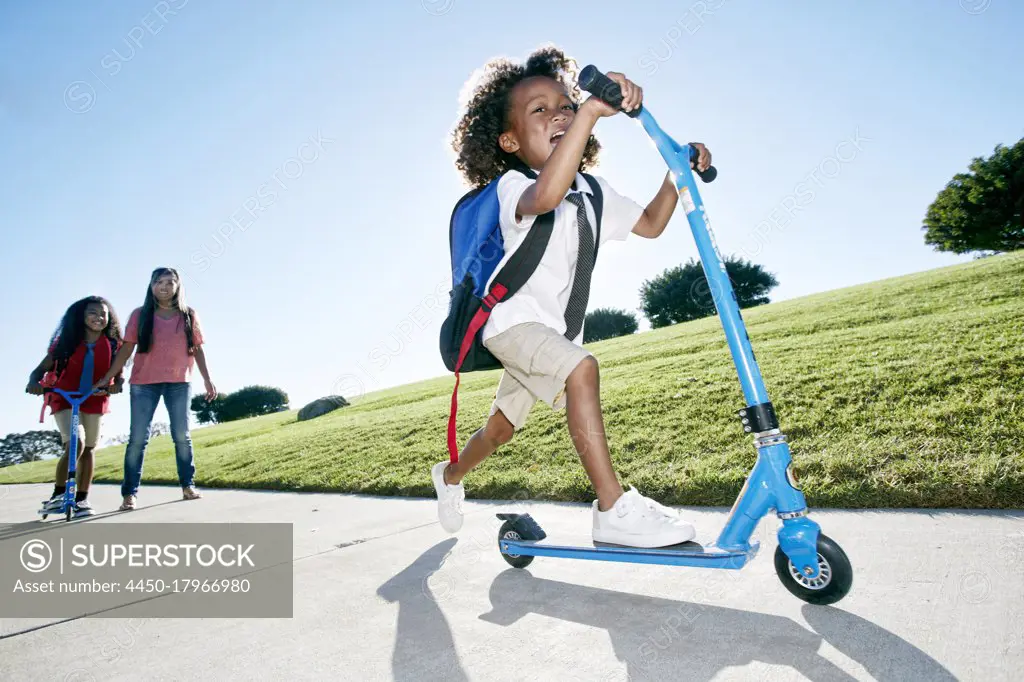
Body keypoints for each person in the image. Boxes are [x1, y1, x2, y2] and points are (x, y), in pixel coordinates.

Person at [433, 47, 713, 548]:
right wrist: (588, 111)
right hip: (511, 325)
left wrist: (676, 174)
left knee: (499, 430)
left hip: (552, 331)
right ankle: (612, 510)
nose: (559, 112)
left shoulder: (594, 192)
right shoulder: (513, 186)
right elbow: (544, 197)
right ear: (509, 140)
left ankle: (450, 477)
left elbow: (649, 224)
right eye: (539, 110)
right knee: (583, 369)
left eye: (565, 104)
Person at [94, 267, 217, 511]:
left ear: (178, 286)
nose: (165, 286)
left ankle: (188, 486)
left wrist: (207, 379)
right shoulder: (140, 315)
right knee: (138, 439)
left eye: (170, 282)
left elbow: (198, 349)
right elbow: (126, 349)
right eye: (159, 282)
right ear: (151, 286)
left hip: (179, 383)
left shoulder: (188, 315)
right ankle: (129, 495)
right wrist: (108, 377)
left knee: (182, 436)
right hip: (143, 384)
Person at [26, 296, 125, 518]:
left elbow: (119, 376)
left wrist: (116, 385)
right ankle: (58, 495)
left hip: (95, 398)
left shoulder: (112, 345)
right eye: (92, 312)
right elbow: (39, 370)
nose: (98, 317)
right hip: (64, 398)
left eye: (103, 314)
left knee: (89, 448)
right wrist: (34, 383)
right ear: (81, 315)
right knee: (75, 443)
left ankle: (81, 499)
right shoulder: (67, 342)